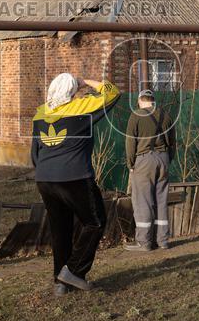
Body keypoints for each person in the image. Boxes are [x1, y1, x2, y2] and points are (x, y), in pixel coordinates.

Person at [31, 73, 120, 296]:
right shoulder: (82, 109)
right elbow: (113, 93)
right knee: (95, 221)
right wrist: (86, 81)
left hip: (45, 178)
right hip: (75, 176)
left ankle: (60, 282)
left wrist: (46, 170)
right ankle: (74, 271)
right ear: (72, 91)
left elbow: (34, 153)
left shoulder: (40, 113)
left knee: (60, 229)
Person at [124, 89, 176, 251]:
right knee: (161, 200)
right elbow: (173, 142)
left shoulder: (136, 115)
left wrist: (131, 164)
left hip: (144, 160)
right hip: (163, 159)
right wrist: (168, 159)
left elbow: (130, 142)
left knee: (143, 201)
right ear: (153, 100)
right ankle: (163, 240)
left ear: (140, 101)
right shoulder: (166, 116)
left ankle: (144, 242)